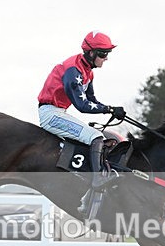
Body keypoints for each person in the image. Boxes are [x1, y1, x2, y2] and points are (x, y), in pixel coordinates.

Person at [37, 30, 126, 215]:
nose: (106, 58)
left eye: (107, 53)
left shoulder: (88, 72)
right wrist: (109, 109)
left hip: (59, 111)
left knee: (96, 137)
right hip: (50, 113)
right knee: (95, 137)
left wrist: (112, 109)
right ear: (91, 52)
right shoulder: (73, 70)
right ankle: (97, 180)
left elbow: (92, 100)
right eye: (103, 53)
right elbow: (82, 105)